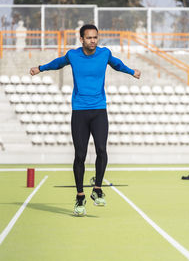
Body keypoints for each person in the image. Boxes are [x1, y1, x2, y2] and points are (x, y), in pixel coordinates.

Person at [30, 24, 141, 216]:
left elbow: (117, 64)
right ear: (81, 39)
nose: (93, 41)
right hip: (79, 111)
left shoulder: (104, 53)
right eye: (89, 38)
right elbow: (58, 63)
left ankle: (97, 189)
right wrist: (40, 68)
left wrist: (131, 71)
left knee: (101, 150)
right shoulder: (73, 55)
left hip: (99, 110)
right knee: (80, 155)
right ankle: (80, 196)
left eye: (95, 37)